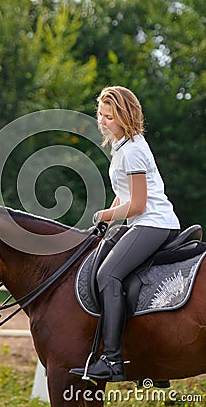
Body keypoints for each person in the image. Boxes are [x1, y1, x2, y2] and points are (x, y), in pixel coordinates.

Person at [70, 86, 180, 381]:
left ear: (125, 116)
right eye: (101, 115)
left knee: (109, 276)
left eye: (109, 117)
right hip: (142, 223)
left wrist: (104, 215)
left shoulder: (131, 151)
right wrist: (109, 218)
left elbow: (139, 204)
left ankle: (113, 361)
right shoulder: (123, 146)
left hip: (152, 223)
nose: (102, 122)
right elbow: (124, 195)